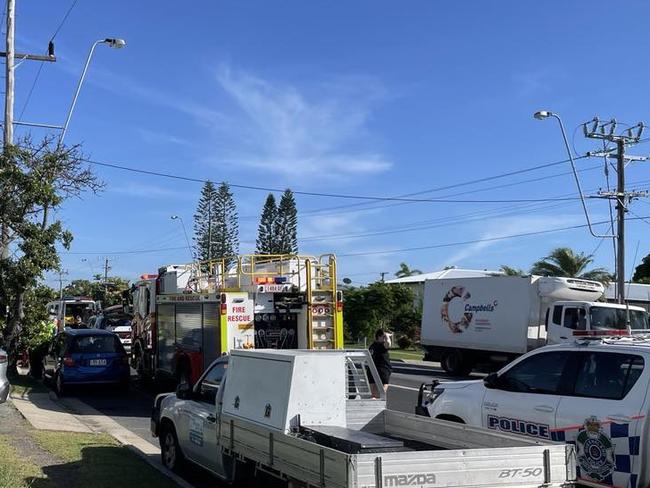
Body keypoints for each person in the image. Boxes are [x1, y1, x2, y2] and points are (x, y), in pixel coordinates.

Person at [369, 328, 392, 397]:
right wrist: (387, 336)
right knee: (385, 385)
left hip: (371, 368)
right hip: (383, 368)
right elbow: (388, 344)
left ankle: (373, 399)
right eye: (383, 337)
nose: (385, 338)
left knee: (373, 393)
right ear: (379, 336)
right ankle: (378, 399)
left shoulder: (372, 346)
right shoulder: (382, 345)